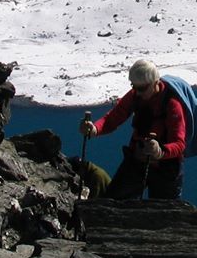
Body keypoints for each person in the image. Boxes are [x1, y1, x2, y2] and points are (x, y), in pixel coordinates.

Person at [79, 59, 186, 199]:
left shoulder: (172, 104)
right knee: (113, 200)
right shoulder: (135, 95)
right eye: (134, 86)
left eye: (141, 88)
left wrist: (160, 152)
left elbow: (179, 144)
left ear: (155, 83)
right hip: (138, 158)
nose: (137, 92)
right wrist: (94, 129)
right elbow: (113, 118)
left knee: (162, 215)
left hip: (165, 167)